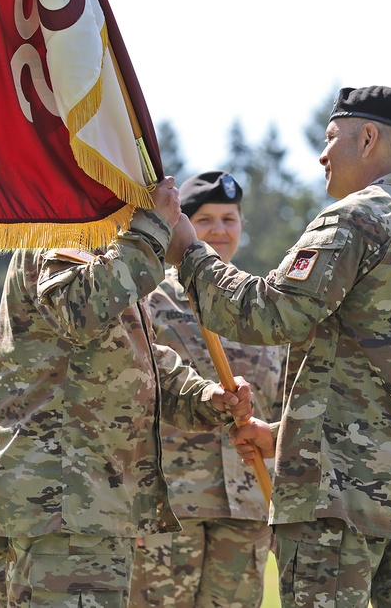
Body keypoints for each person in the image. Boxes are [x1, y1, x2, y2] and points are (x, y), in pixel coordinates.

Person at [167, 85, 391, 607]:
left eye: (332, 137)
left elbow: (270, 312)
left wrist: (189, 254)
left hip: (342, 500)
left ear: (369, 139)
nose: (322, 153)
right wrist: (288, 440)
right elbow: (386, 374)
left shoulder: (358, 218)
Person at [0, 178, 255, 608]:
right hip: (63, 502)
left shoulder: (111, 246)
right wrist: (153, 231)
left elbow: (136, 360)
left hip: (80, 504)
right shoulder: (69, 230)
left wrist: (206, 398)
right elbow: (77, 308)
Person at [129, 171, 285, 608]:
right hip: (171, 505)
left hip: (247, 506)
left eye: (230, 219)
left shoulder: (260, 307)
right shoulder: (152, 300)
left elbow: (288, 401)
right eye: (205, 219)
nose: (219, 230)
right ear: (182, 226)